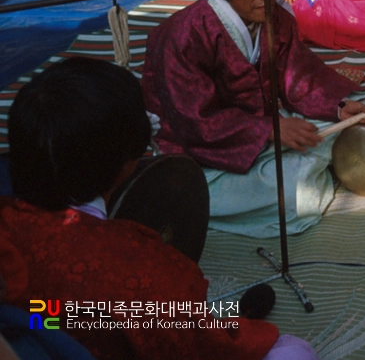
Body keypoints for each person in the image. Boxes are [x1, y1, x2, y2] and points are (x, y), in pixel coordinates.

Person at [0, 57, 317, 360]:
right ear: (127, 160)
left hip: (44, 327)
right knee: (294, 351)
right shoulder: (142, 273)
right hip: (92, 335)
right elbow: (205, 347)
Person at [141, 0, 365, 237]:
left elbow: (298, 76)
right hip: (199, 154)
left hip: (255, 129)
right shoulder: (182, 36)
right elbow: (194, 121)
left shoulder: (277, 20)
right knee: (296, 190)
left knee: (338, 131)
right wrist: (268, 129)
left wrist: (338, 107)